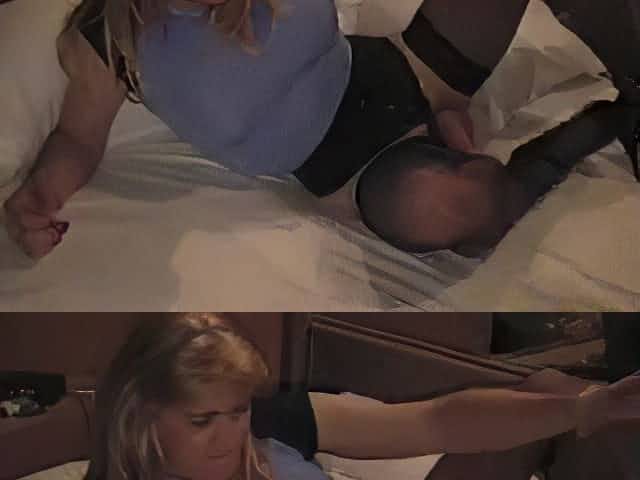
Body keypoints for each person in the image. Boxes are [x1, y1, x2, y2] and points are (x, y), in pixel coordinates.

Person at [85, 313, 640, 480]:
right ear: (142, 416)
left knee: (552, 393)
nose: (229, 437)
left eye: (237, 411)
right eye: (202, 420)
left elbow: (434, 423)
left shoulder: (273, 424)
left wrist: (586, 409)